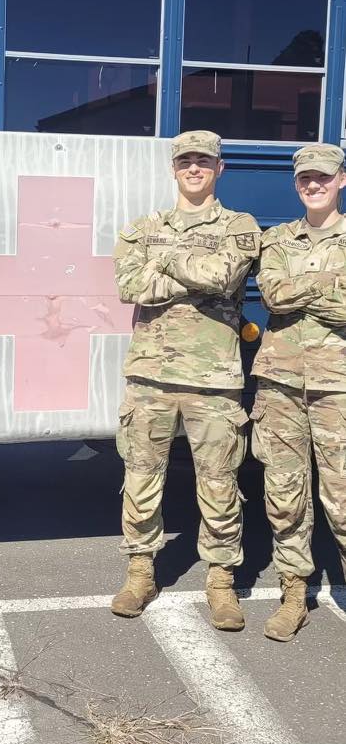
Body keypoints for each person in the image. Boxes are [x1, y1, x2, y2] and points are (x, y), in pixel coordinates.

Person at [112, 130, 261, 630]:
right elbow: (130, 286)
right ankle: (140, 573)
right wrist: (196, 264)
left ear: (220, 168)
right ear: (173, 169)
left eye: (204, 161)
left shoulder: (240, 225)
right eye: (185, 162)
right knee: (140, 478)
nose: (194, 168)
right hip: (149, 376)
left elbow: (225, 275)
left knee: (219, 483)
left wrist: (169, 258)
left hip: (214, 378)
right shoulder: (140, 227)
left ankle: (221, 583)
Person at [252, 143, 346, 642]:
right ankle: (294, 592)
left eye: (323, 178)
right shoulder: (276, 240)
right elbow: (271, 295)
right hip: (282, 384)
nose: (314, 185)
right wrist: (329, 286)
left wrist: (302, 289)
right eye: (306, 178)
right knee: (285, 494)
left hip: (339, 386)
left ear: (341, 180)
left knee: (343, 495)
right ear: (296, 184)